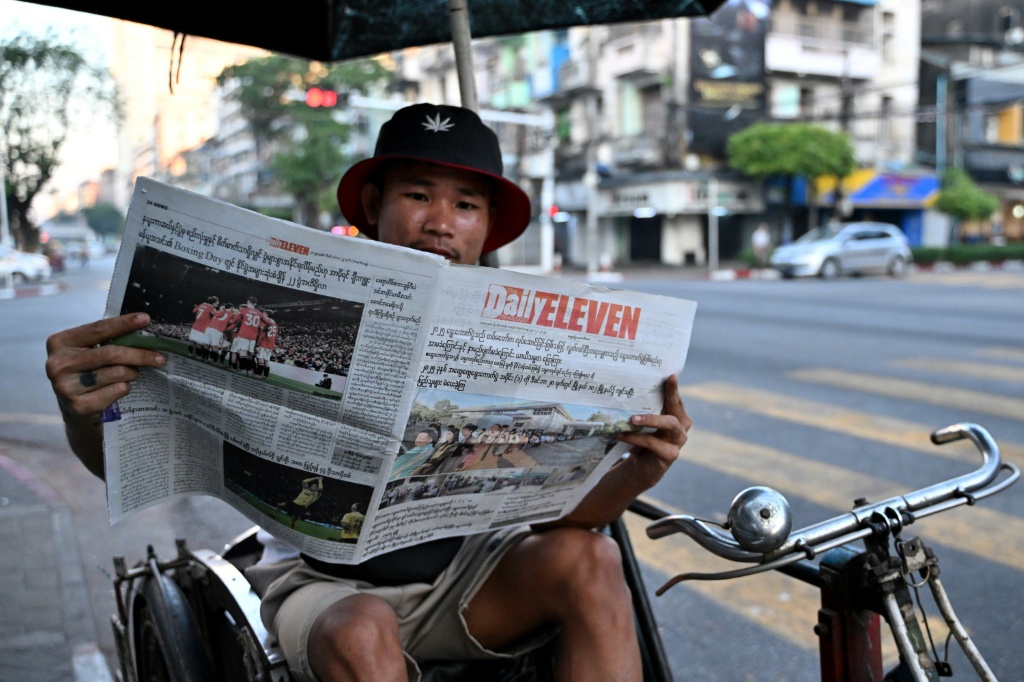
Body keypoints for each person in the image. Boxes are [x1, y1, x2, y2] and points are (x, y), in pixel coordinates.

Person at [44, 102, 691, 682]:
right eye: (418, 195)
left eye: (466, 205)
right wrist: (83, 414)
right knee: (361, 631)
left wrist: (638, 472)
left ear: (488, 225)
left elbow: (558, 519)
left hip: (467, 580)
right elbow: (137, 460)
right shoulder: (289, 310)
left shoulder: (530, 340)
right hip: (321, 587)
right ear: (375, 204)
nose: (441, 223)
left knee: (594, 561)